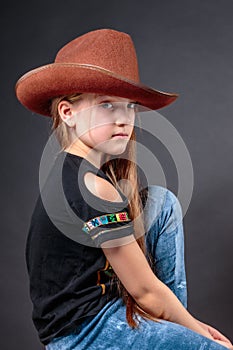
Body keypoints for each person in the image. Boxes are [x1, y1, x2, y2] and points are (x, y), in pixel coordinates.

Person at [15, 28, 232, 349]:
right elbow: (144, 291)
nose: (123, 118)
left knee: (162, 202)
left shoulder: (76, 170)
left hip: (103, 310)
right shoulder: (90, 186)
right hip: (83, 332)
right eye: (106, 105)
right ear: (68, 112)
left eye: (129, 106)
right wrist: (198, 332)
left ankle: (164, 324)